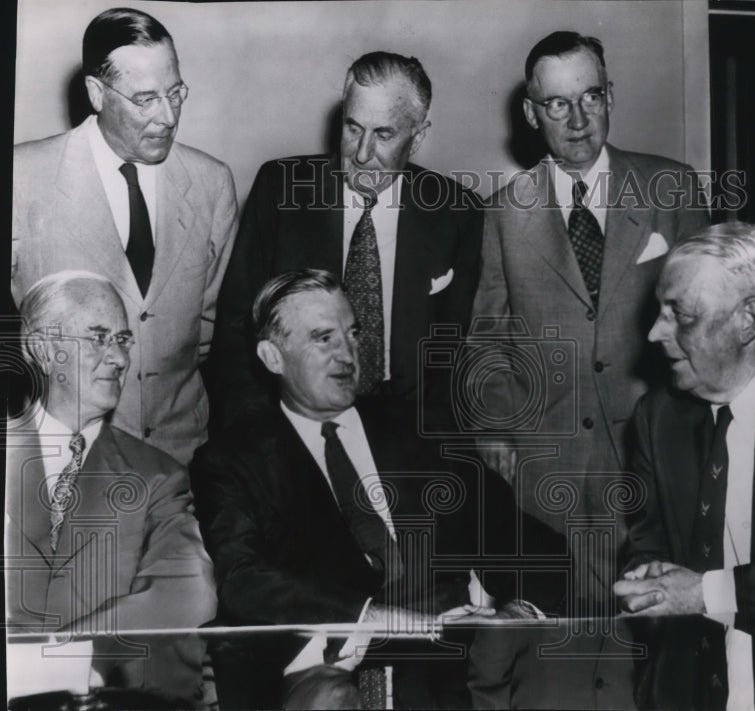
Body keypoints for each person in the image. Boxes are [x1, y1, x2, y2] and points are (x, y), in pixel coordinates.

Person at [190, 270, 564, 710]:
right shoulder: (235, 460)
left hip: (456, 642)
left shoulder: (415, 428)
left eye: (351, 333)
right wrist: (374, 617)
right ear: (273, 357)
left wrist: (516, 616)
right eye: (322, 338)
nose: (346, 354)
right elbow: (243, 580)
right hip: (336, 651)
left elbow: (519, 535)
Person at [471, 30, 709, 603]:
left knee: (657, 650)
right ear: (531, 113)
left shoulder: (671, 189)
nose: (578, 119)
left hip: (656, 472)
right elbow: (487, 345)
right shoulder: (504, 212)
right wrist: (505, 453)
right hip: (547, 485)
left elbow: (707, 331)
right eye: (557, 103)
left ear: (609, 96)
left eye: (591, 97)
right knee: (568, 656)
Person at [208, 51, 482, 432]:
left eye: (384, 134)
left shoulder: (456, 212)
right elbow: (236, 331)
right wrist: (256, 434)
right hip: (292, 421)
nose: (363, 154)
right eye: (353, 128)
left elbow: (458, 353)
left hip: (407, 430)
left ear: (418, 136)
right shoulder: (281, 190)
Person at [11, 7, 238, 465]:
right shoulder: (20, 179)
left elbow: (210, 332)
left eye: (176, 93)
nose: (169, 116)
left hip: (182, 463)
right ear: (97, 93)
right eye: (145, 98)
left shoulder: (212, 184)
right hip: (60, 464)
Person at [614, 222, 755, 710]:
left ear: (747, 320)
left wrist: (705, 592)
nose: (653, 332)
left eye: (679, 315)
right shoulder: (657, 418)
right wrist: (649, 574)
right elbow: (646, 541)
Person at [5, 271, 217, 705]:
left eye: (123, 340)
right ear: (42, 350)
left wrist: (64, 658)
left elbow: (189, 591)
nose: (119, 359)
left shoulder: (157, 476)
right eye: (98, 337)